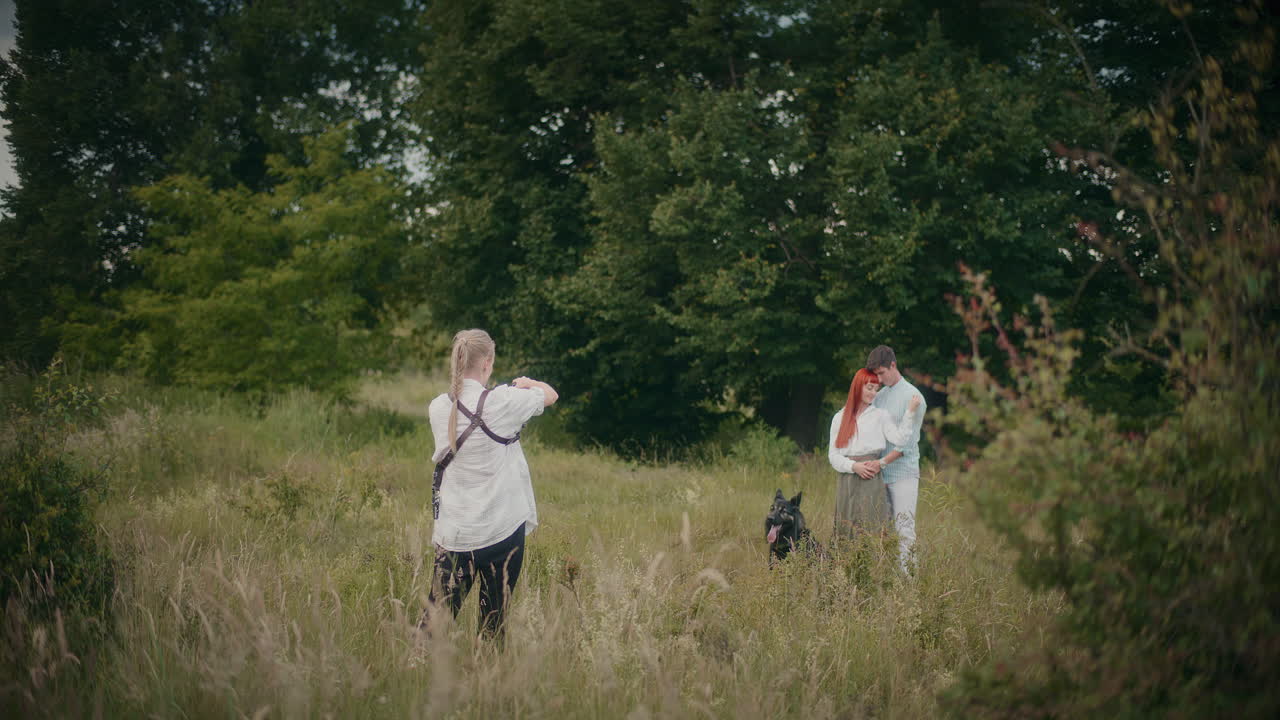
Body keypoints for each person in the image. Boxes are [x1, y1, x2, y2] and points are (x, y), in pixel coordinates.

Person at [419, 329, 558, 640]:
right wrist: (527, 384)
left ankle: (413, 673)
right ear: (487, 363)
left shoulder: (438, 408)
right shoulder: (503, 401)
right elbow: (551, 395)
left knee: (432, 625)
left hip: (455, 534)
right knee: (493, 624)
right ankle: (487, 681)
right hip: (501, 531)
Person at [827, 367, 923, 541]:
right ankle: (844, 567)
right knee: (845, 528)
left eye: (876, 389)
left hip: (871, 477)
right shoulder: (839, 417)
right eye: (869, 388)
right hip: (847, 479)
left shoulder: (880, 416)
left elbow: (900, 440)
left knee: (870, 527)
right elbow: (833, 456)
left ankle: (872, 567)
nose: (873, 394)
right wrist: (853, 466)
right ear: (858, 386)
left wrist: (909, 413)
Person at [866, 345, 927, 573]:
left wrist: (881, 463)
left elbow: (906, 445)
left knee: (904, 529)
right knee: (879, 530)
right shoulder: (879, 397)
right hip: (879, 474)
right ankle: (884, 578)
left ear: (893, 364)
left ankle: (908, 584)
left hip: (903, 474)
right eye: (876, 375)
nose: (879, 379)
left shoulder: (913, 396)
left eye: (882, 373)